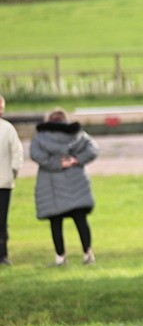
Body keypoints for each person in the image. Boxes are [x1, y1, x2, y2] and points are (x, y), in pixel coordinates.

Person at [31, 109, 99, 266]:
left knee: (56, 223)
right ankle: (88, 254)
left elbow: (35, 154)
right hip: (77, 182)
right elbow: (93, 149)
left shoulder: (40, 137)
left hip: (51, 185)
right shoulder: (78, 135)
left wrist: (55, 163)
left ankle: (60, 257)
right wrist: (76, 159)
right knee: (80, 220)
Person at [0, 93, 24, 266]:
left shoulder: (7, 129)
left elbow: (17, 154)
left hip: (3, 183)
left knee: (1, 221)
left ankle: (2, 254)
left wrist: (12, 173)